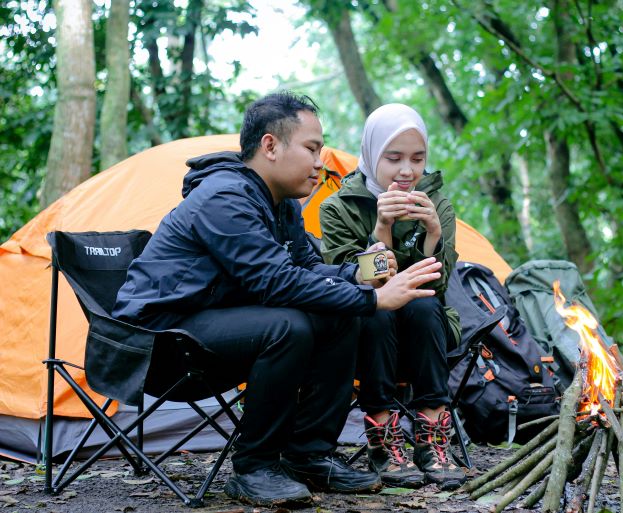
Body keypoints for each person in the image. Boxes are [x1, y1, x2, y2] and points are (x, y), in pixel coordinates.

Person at [112, 92, 443, 507]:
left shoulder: (279, 204)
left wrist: (368, 273)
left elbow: (308, 270)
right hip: (161, 342)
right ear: (270, 146)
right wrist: (372, 300)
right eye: (311, 148)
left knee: (338, 316)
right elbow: (275, 283)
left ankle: (309, 455)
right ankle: (255, 467)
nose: (320, 162)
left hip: (213, 325)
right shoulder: (225, 197)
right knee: (290, 324)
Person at [319, 103, 466, 490]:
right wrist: (382, 227)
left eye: (417, 159)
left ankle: (432, 434)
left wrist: (433, 233)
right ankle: (384, 438)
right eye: (394, 158)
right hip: (363, 329)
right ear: (371, 155)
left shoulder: (437, 204)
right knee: (378, 310)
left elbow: (436, 286)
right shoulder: (338, 208)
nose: (407, 171)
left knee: (420, 303)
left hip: (427, 326)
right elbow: (354, 286)